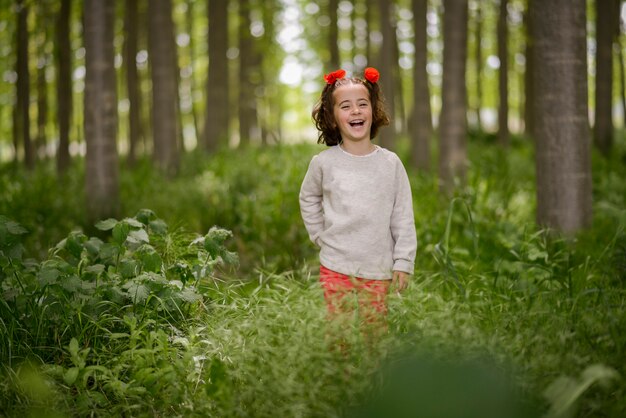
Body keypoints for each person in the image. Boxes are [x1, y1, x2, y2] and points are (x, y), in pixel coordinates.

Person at [299, 67, 417, 327]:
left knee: (374, 333)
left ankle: (373, 369)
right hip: (335, 265)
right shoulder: (324, 163)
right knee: (338, 332)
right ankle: (339, 369)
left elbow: (403, 216)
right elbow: (308, 198)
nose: (355, 111)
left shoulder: (390, 163)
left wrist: (403, 261)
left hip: (378, 267)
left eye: (362, 104)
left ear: (373, 111)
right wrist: (319, 234)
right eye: (345, 106)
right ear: (332, 118)